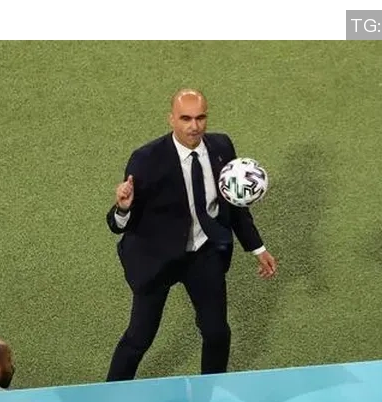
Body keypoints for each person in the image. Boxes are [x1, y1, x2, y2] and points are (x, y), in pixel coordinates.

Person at [105, 88, 277, 382]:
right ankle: (110, 394)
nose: (194, 126)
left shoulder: (222, 146)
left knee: (217, 332)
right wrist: (123, 207)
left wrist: (258, 249)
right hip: (156, 258)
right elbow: (119, 224)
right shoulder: (146, 160)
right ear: (171, 119)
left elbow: (234, 204)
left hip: (203, 254)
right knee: (139, 337)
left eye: (200, 118)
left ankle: (210, 390)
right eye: (185, 118)